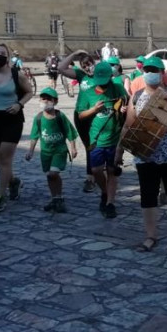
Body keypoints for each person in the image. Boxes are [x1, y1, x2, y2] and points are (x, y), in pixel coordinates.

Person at [116, 56, 167, 250]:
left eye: (155, 70)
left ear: (162, 73)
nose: (151, 74)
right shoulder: (137, 96)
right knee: (148, 192)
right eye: (148, 70)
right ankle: (151, 235)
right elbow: (129, 124)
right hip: (146, 152)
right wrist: (119, 150)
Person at [0, 43, 33, 212]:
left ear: (7, 57)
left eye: (2, 53)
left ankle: (0, 196)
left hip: (12, 118)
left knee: (4, 159)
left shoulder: (17, 74)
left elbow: (29, 92)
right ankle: (13, 182)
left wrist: (19, 104)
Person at [80, 61, 127, 218]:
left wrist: (123, 108)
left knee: (113, 171)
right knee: (96, 170)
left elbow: (126, 104)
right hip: (97, 139)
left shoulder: (118, 88)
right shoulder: (87, 92)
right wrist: (93, 109)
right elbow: (80, 115)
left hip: (115, 138)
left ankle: (110, 203)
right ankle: (105, 192)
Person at [25, 87, 78, 213]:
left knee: (53, 173)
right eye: (43, 98)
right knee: (49, 176)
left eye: (49, 99)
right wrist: (31, 151)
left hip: (59, 151)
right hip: (45, 152)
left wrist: (73, 147)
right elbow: (34, 135)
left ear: (55, 101)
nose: (45, 101)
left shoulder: (60, 116)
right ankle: (55, 199)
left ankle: (59, 197)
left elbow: (69, 132)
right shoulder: (38, 118)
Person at [57, 50, 99, 193]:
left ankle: (97, 173)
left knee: (96, 144)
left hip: (97, 116)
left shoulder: (101, 75)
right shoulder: (81, 75)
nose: (87, 67)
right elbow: (61, 68)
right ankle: (90, 177)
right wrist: (74, 54)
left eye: (89, 64)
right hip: (81, 115)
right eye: (84, 65)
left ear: (94, 63)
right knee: (89, 145)